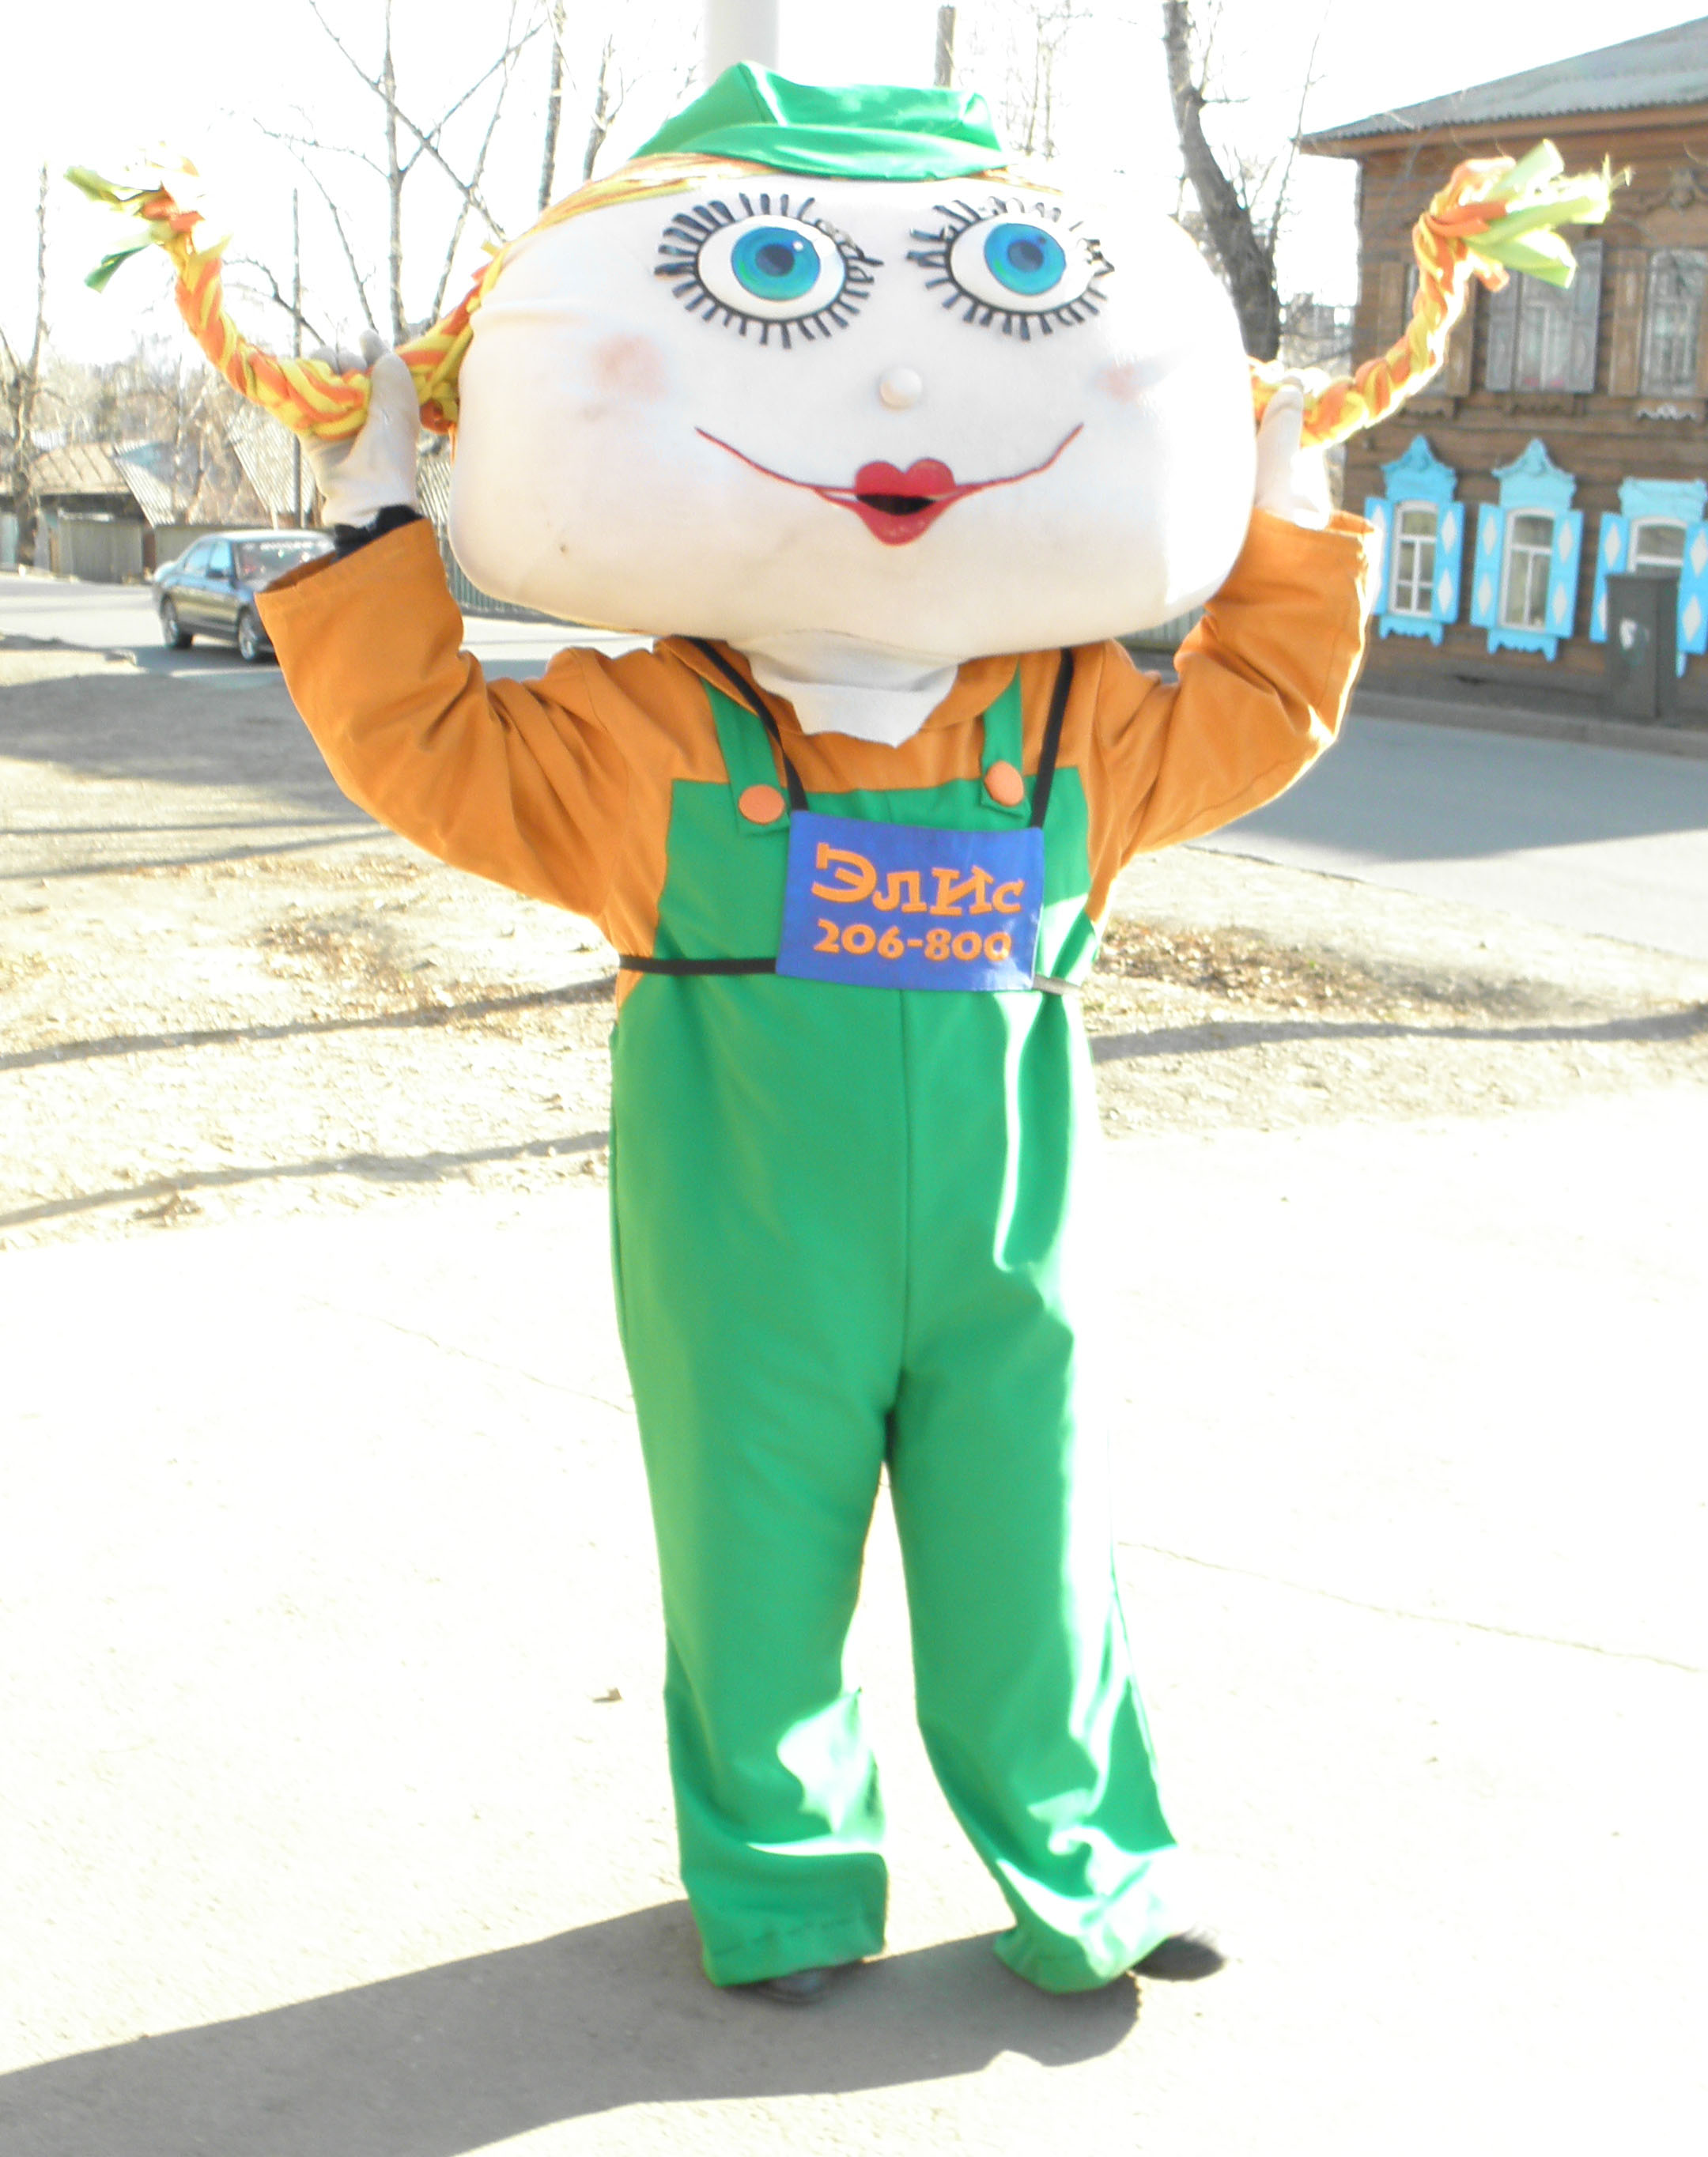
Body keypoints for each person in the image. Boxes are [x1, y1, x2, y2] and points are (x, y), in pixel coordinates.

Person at [250, 66, 1370, 2004]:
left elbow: (1265, 702)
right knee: (751, 1550)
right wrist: (377, 518)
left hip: (1011, 1241)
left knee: (1036, 1543)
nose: (901, 399)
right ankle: (781, 1879)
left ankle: (1092, 1864)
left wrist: (1287, 509)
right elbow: (421, 737)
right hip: (743, 1227)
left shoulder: (1074, 716)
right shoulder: (641, 729)